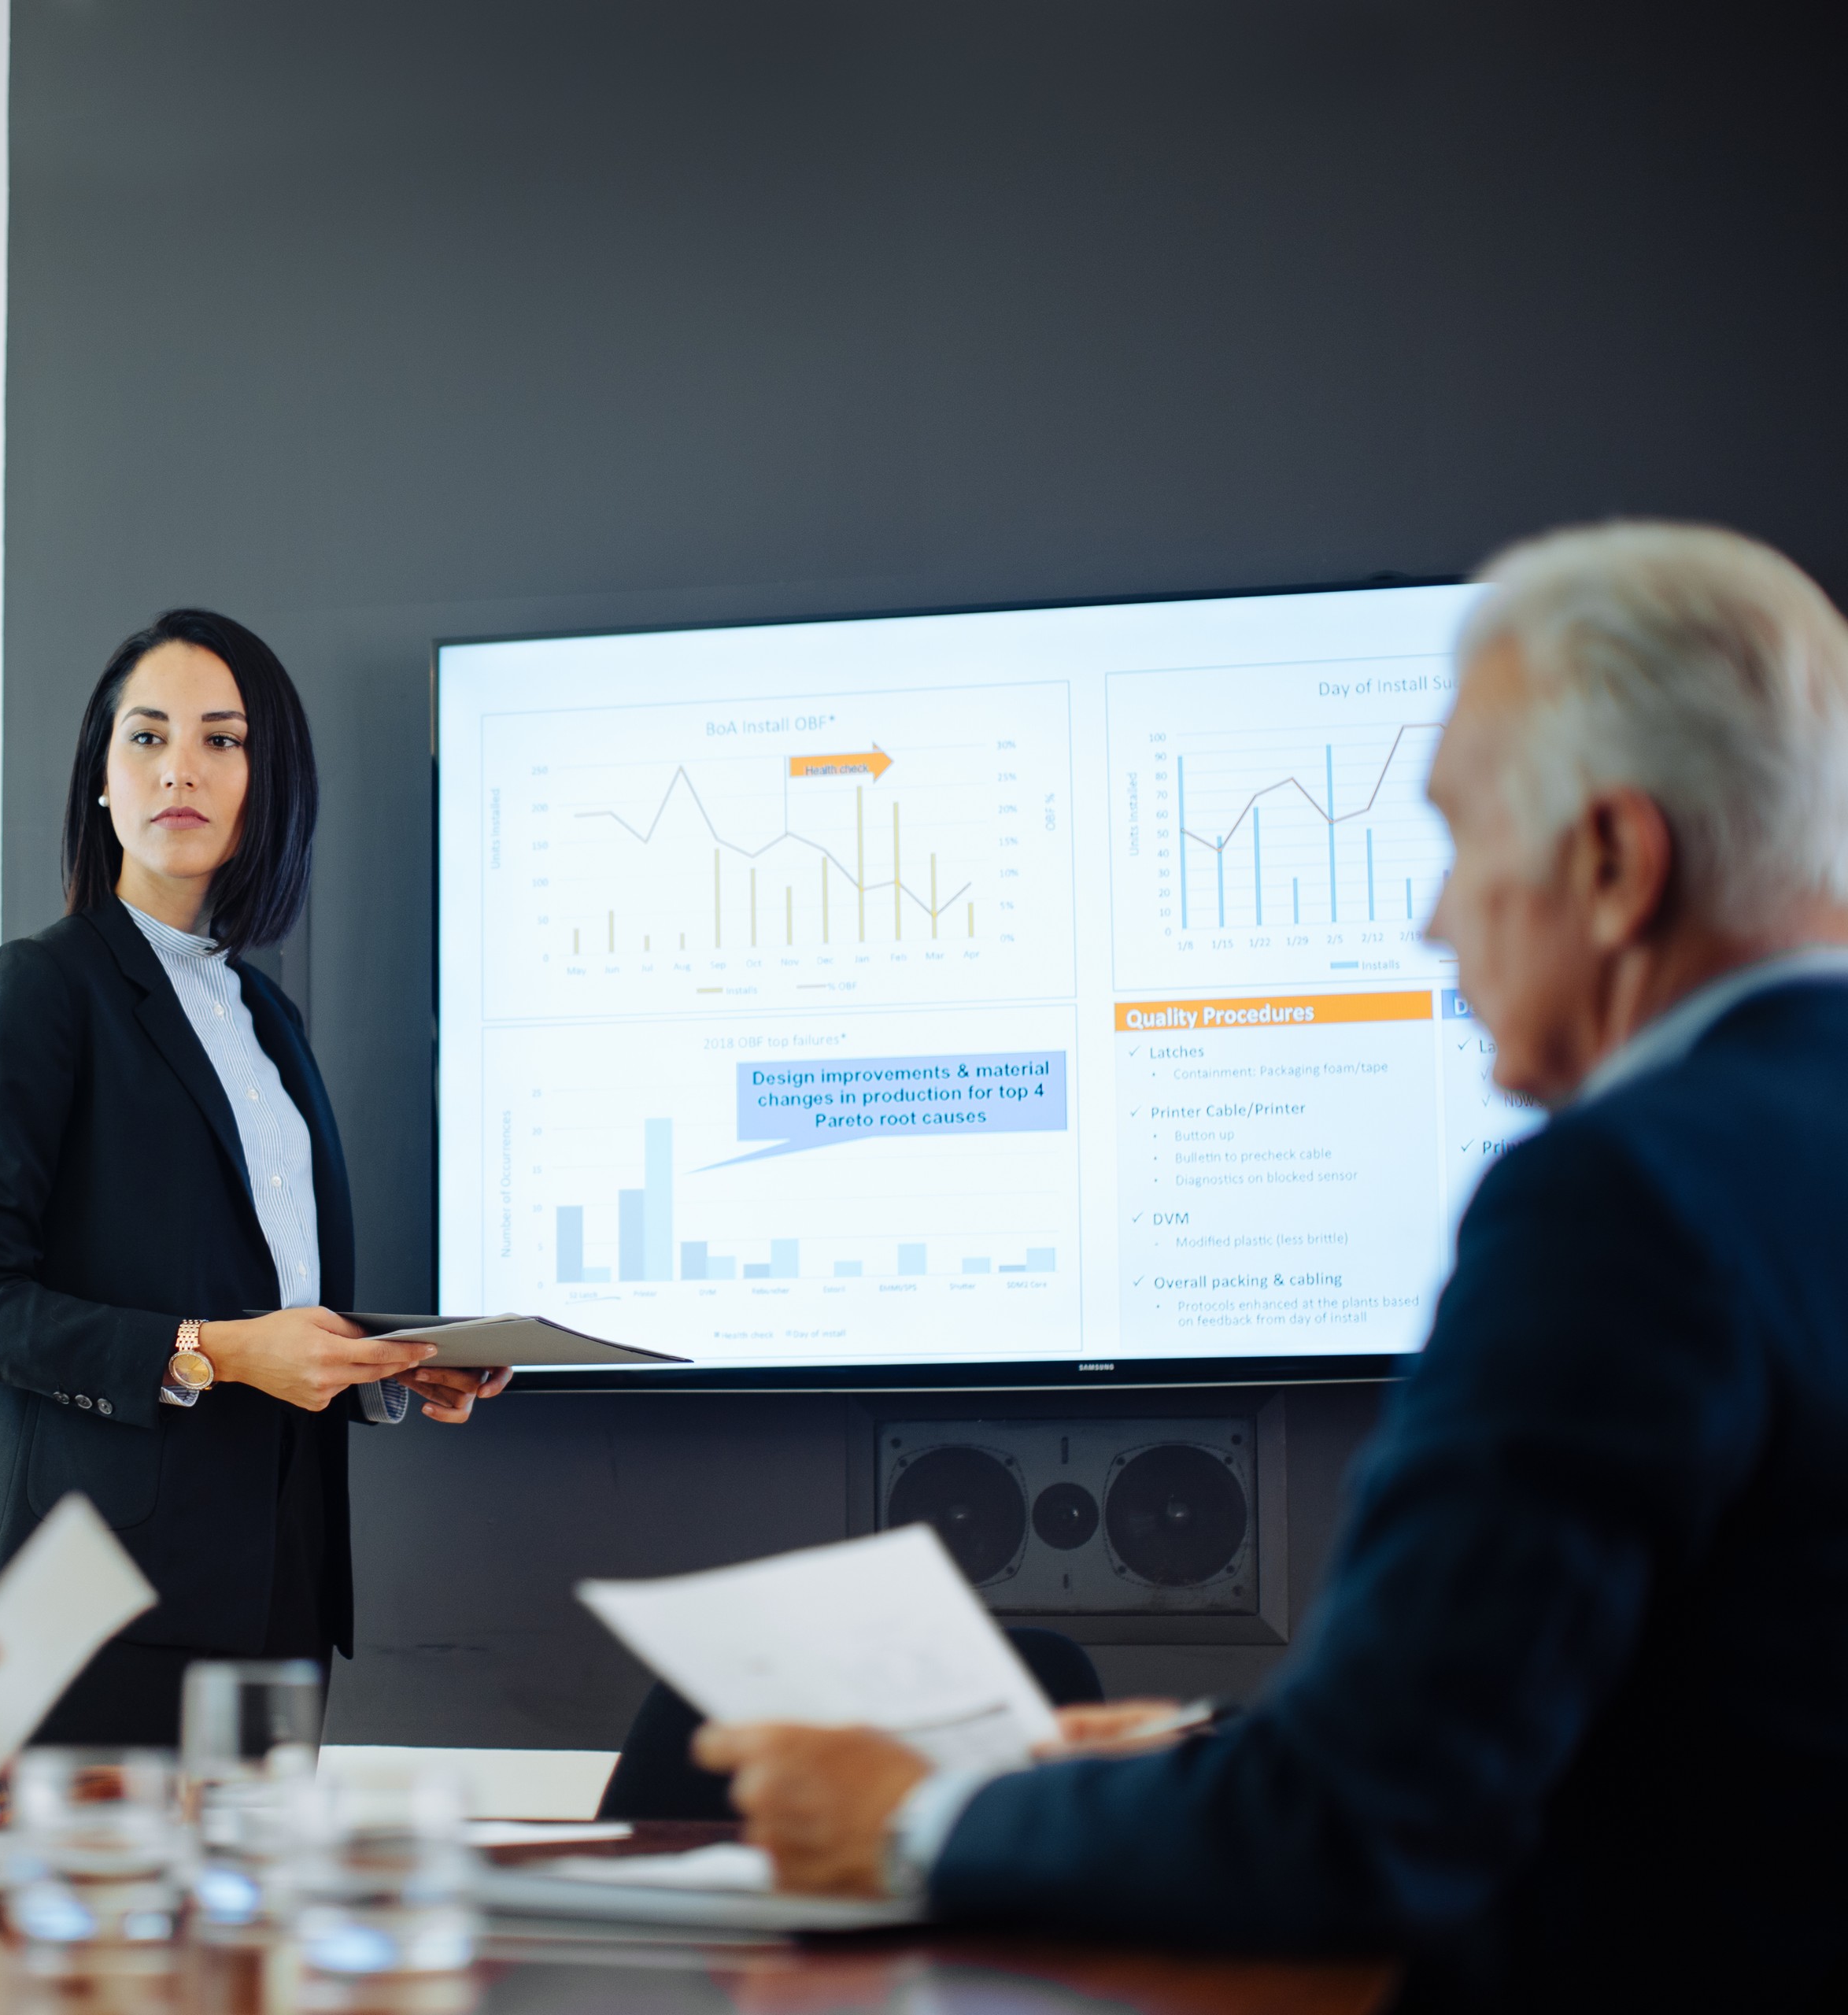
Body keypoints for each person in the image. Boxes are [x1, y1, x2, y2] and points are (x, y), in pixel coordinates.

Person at [693, 523, 1848, 2007]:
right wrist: (1230, 1756)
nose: (1432, 920)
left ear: (1616, 860)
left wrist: (909, 1817)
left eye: (1460, 838)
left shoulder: (1623, 1198)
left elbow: (1365, 1836)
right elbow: (1697, 1712)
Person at [0, 608, 508, 1743]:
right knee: (97, 1927)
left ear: (266, 785)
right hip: (91, 1601)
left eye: (221, 741)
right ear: (100, 779)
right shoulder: (39, 990)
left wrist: (383, 1371)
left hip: (275, 1591)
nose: (178, 769)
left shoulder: (265, 1018)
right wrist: (226, 1350)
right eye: (146, 738)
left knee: (248, 1930)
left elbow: (273, 1302)